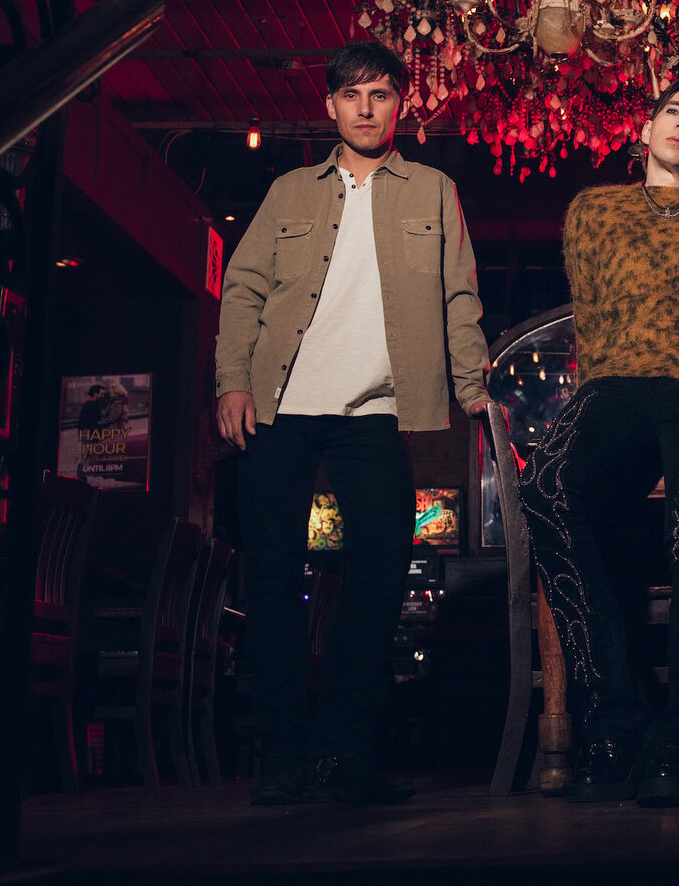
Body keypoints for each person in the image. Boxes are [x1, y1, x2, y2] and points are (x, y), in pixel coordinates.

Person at [215, 40, 491, 806]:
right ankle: (280, 757)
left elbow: (457, 297)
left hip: (373, 413)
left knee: (376, 578)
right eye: (351, 96)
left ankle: (344, 754)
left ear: (399, 104)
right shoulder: (287, 193)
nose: (366, 108)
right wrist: (231, 383)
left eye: (379, 94)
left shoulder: (433, 191)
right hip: (277, 409)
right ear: (330, 106)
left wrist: (472, 384)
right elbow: (241, 290)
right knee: (271, 579)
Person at [518, 76, 679, 808]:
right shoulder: (592, 208)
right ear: (646, 125)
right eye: (672, 112)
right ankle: (613, 714)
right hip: (616, 382)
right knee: (544, 488)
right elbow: (595, 311)